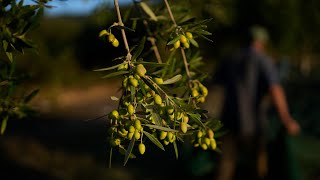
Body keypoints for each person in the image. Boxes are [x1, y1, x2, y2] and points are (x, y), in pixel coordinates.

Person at [211, 25, 301, 180]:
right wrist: (287, 120)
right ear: (262, 42)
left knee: (225, 166)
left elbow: (213, 85)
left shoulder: (230, 58)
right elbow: (275, 90)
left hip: (229, 122)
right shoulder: (263, 60)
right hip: (254, 125)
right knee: (257, 168)